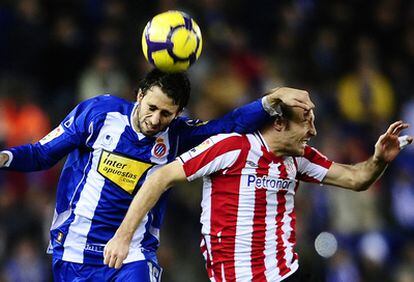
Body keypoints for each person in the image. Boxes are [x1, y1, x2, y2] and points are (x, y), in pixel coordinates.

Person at [0, 68, 314, 281]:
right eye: (151, 107)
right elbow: (41, 153)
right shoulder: (99, 114)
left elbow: (227, 126)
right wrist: (5, 157)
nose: (154, 119)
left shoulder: (176, 136)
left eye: (166, 114)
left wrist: (269, 102)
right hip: (74, 248)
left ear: (178, 114)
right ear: (139, 95)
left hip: (133, 253)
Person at [103, 103, 413, 281]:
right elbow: (160, 177)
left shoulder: (299, 157)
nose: (313, 131)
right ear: (279, 123)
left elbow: (356, 179)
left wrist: (378, 160)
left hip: (284, 274)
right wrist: (122, 236)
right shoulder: (232, 146)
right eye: (306, 122)